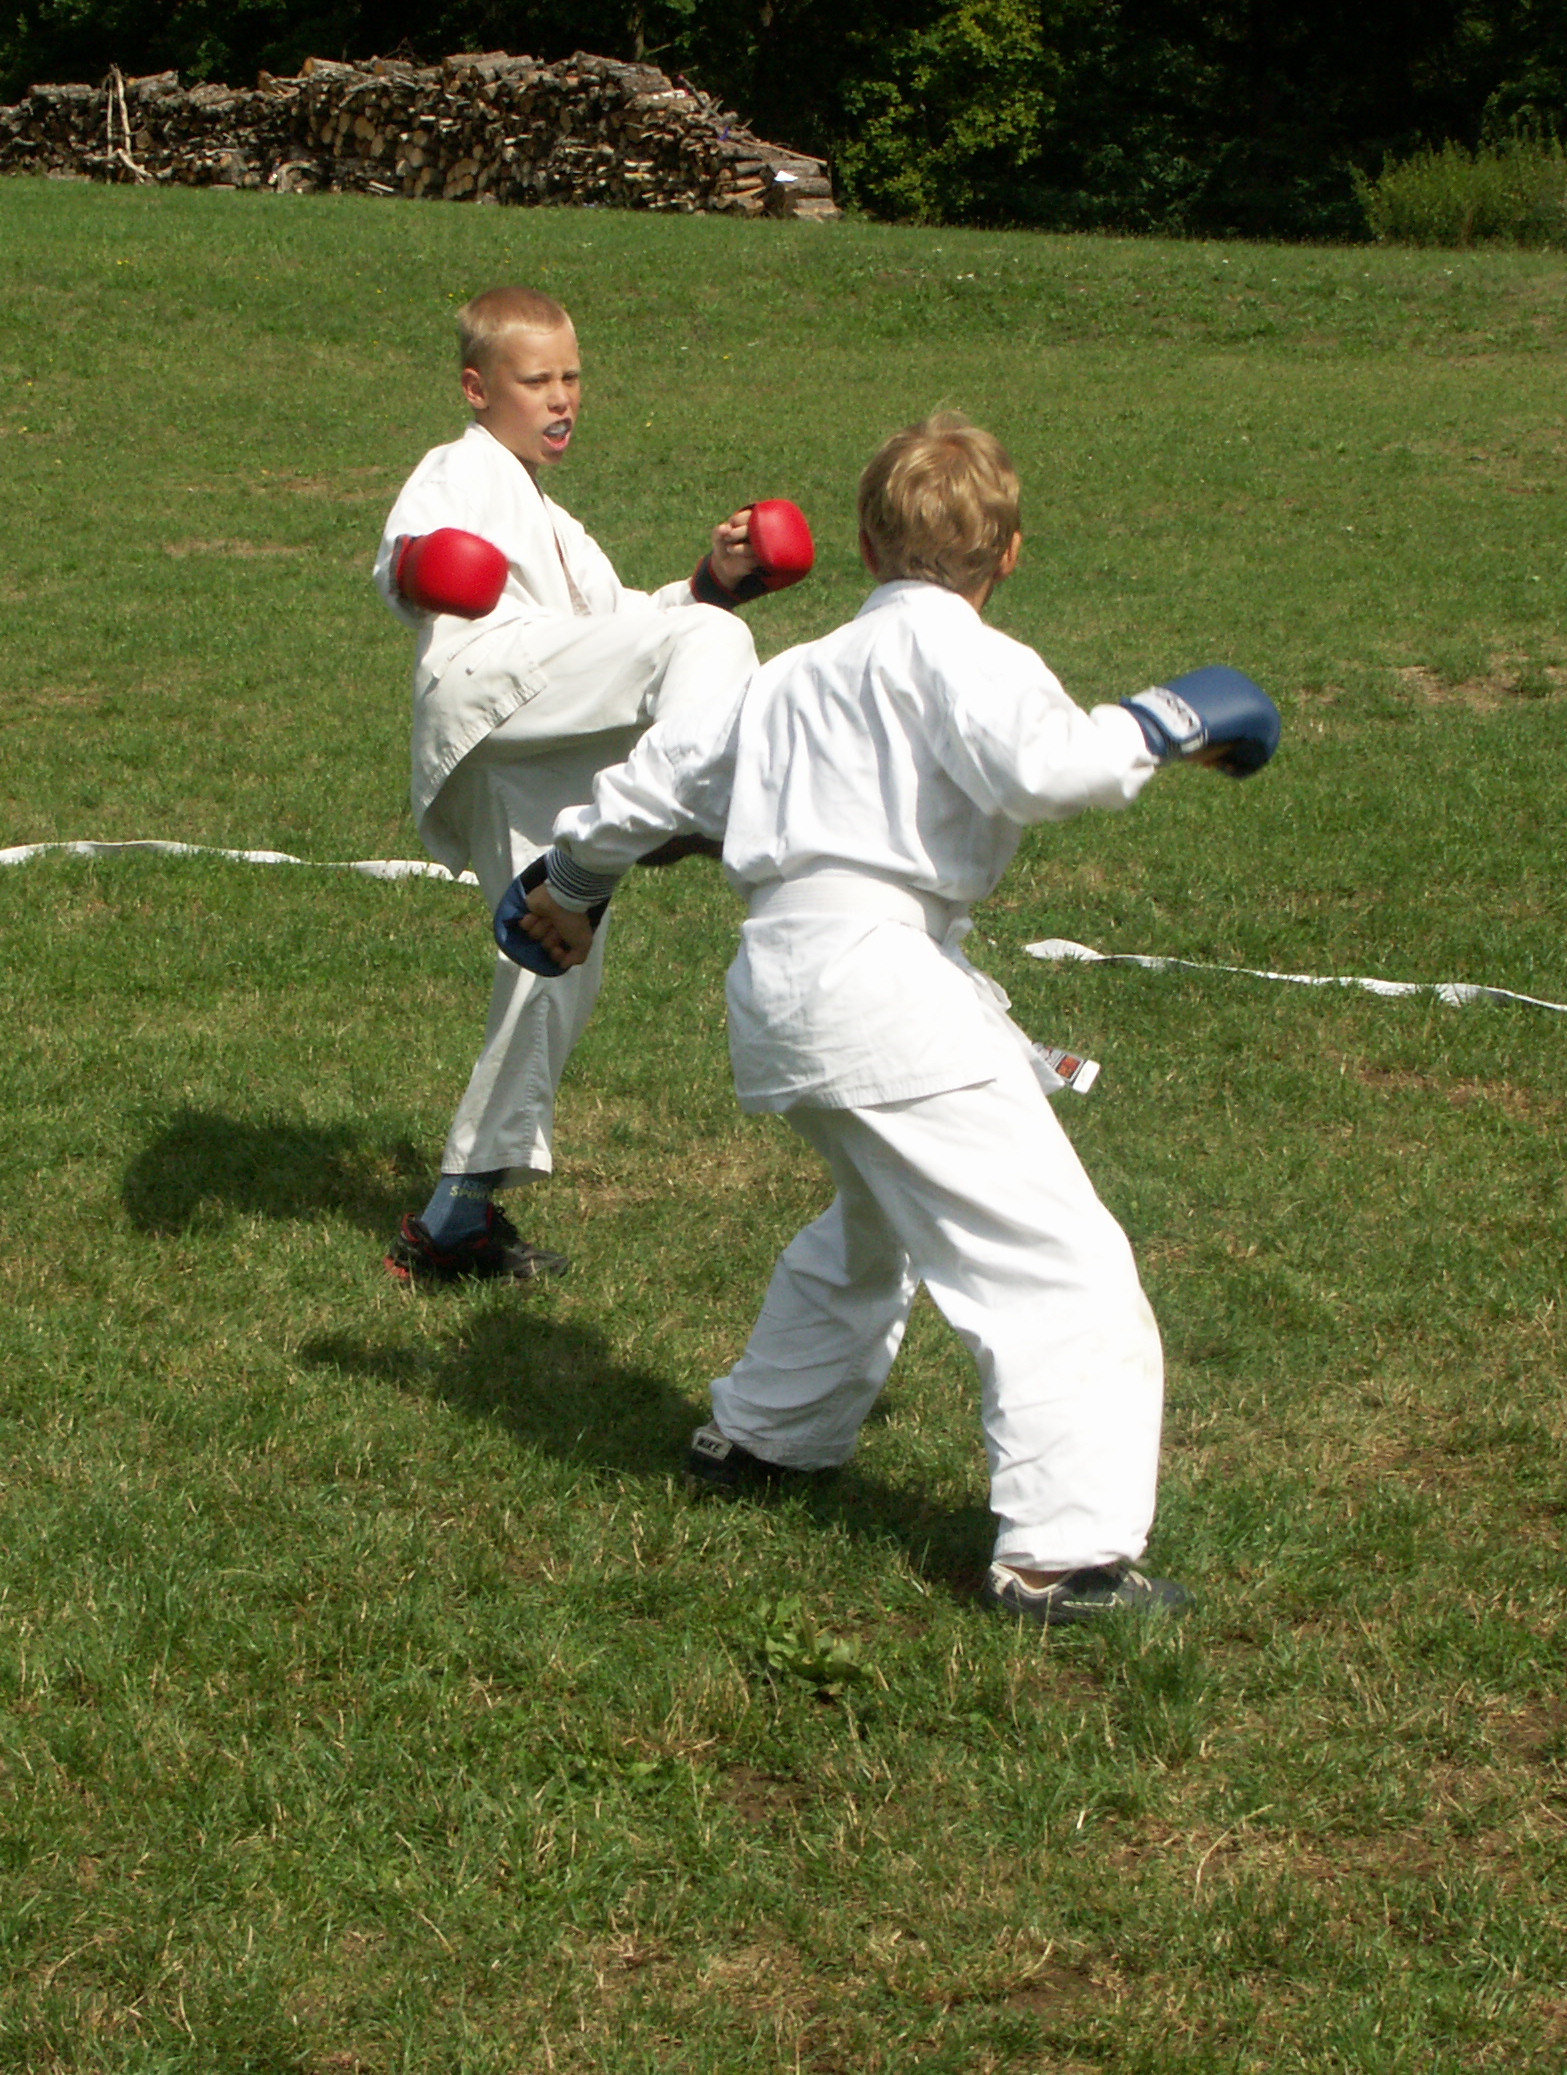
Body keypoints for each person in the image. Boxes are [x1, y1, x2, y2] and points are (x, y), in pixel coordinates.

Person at [512, 413, 1279, 1625]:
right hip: (881, 980)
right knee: (1054, 1261)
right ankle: (1061, 1560)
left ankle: (764, 1435)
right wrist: (1169, 718)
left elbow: (649, 787)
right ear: (1009, 554)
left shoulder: (786, 675)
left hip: (787, 981)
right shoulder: (963, 654)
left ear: (865, 547)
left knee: (877, 1219)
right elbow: (1055, 770)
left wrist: (568, 884)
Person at [373, 285, 808, 1286]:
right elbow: (403, 555)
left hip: (533, 732)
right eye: (536, 380)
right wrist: (421, 568)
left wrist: (715, 578)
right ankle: (691, 804)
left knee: (553, 955)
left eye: (572, 377)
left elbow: (625, 630)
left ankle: (453, 1219)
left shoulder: (557, 523)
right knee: (710, 643)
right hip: (490, 683)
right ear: (477, 388)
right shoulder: (460, 467)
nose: (562, 398)